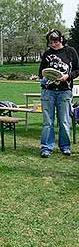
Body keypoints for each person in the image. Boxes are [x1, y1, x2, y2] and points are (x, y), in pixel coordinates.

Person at [38, 29, 79, 158]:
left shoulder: (70, 52)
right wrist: (44, 79)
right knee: (48, 122)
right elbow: (41, 72)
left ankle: (65, 147)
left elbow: (78, 69)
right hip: (48, 92)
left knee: (64, 121)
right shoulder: (46, 54)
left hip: (65, 91)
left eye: (55, 41)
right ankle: (46, 148)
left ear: (61, 39)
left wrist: (68, 76)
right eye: (51, 42)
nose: (53, 44)